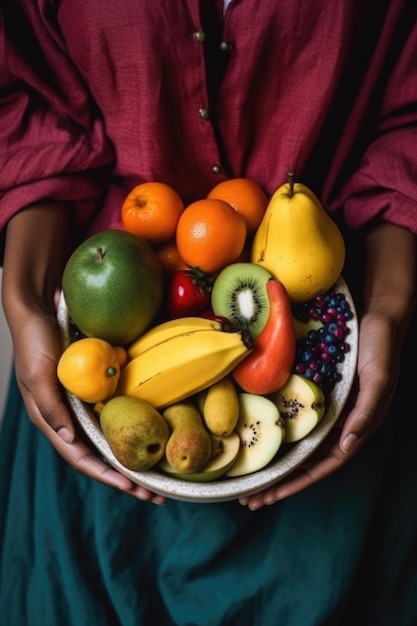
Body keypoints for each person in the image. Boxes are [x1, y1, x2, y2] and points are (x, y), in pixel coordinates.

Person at [1, 1, 417, 624]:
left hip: (344, 377)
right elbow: (30, 110)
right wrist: (23, 300)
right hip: (101, 330)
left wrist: (388, 307)